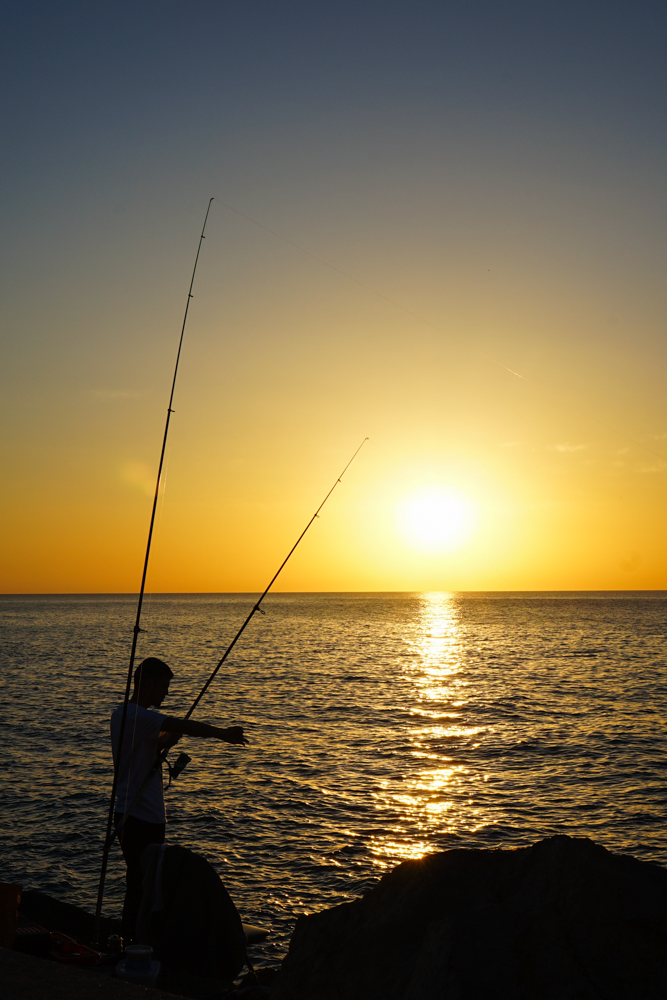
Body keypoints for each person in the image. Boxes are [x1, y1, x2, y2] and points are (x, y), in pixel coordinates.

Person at [110, 656, 247, 943]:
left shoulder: (124, 716)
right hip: (141, 816)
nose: (166, 693)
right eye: (164, 686)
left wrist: (168, 739)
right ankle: (135, 944)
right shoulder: (138, 716)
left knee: (139, 882)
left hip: (131, 814)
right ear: (147, 684)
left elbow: (157, 741)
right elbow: (184, 725)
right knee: (144, 884)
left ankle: (133, 940)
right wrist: (222, 734)